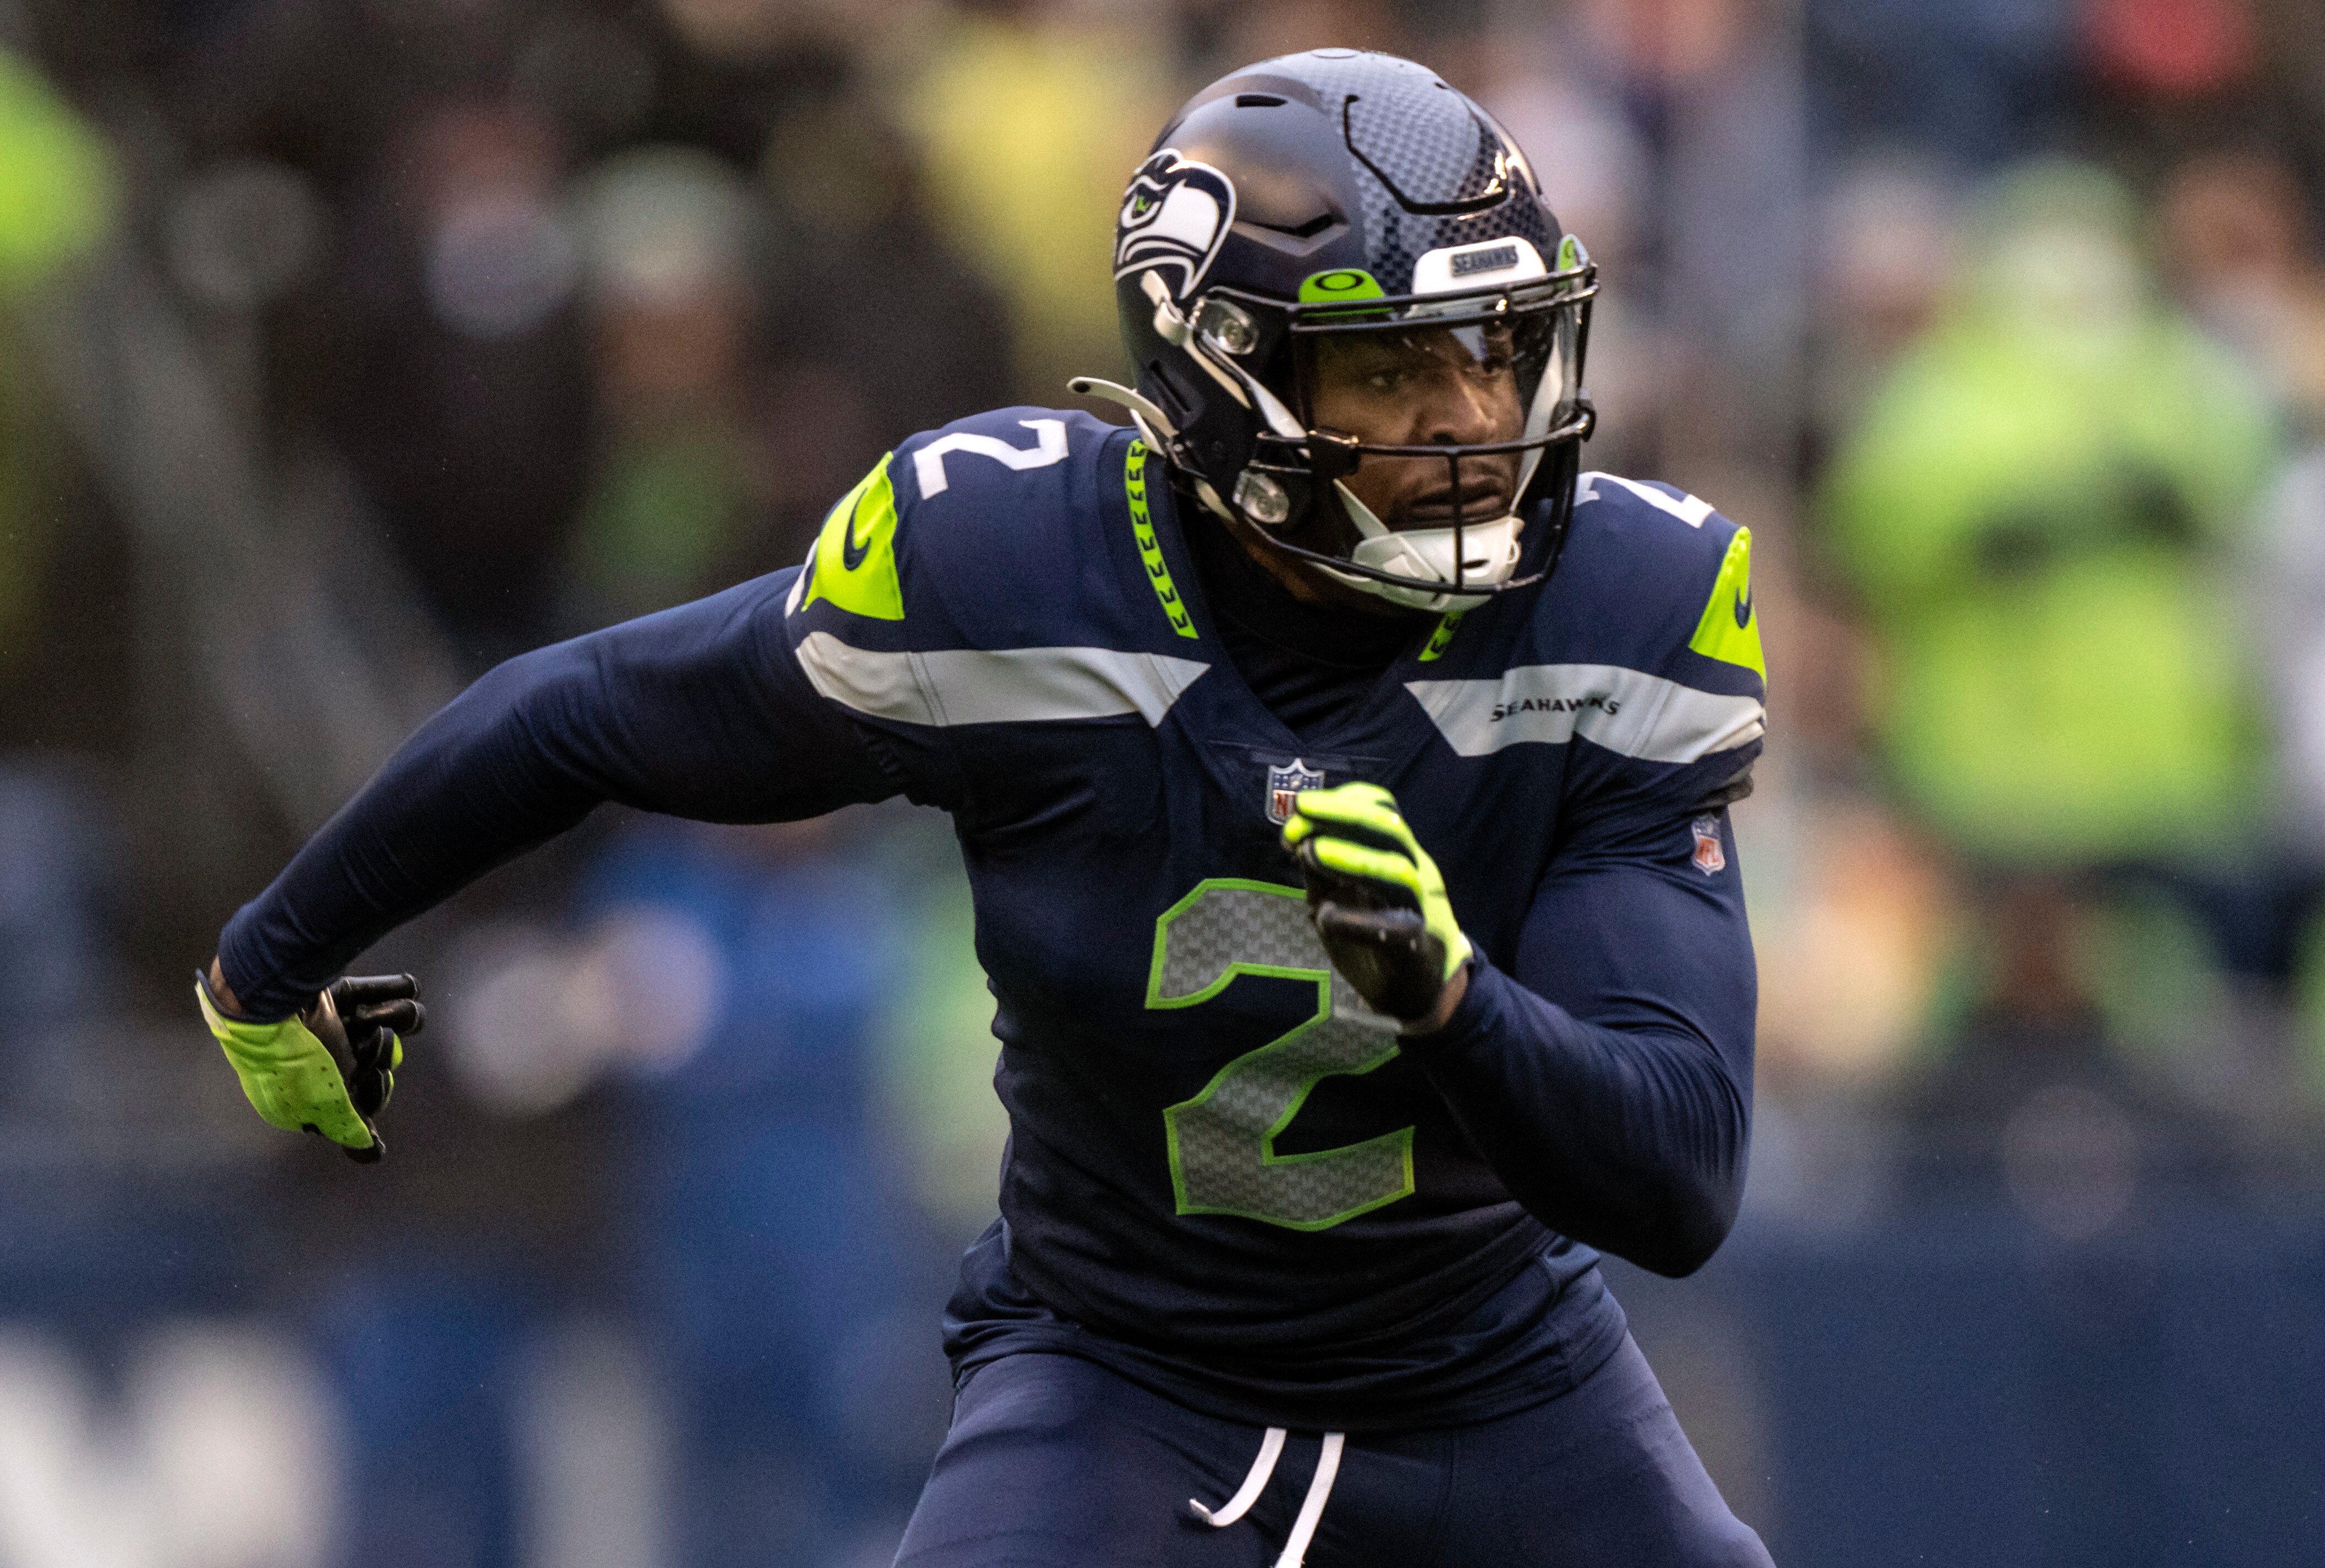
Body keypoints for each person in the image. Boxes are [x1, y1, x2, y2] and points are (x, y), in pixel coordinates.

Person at [196, 51, 1772, 1567]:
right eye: (1390, 364)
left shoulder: (1624, 605)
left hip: (1504, 1378)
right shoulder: (1009, 571)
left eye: (1494, 347)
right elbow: (591, 711)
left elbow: (1676, 1175)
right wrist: (270, 962)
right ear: (1217, 371)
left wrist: (1454, 1003)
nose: (1468, 420)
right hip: (1132, 1375)